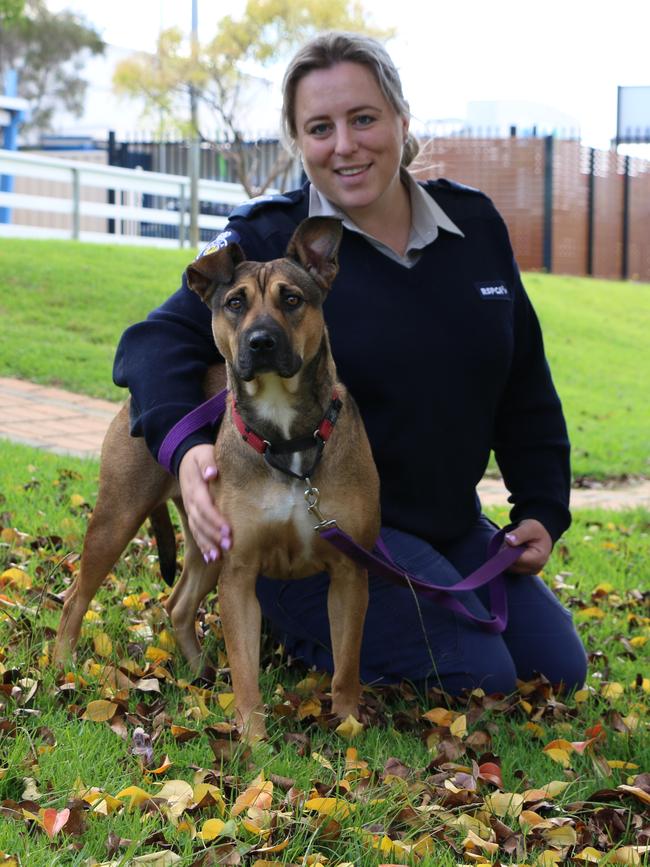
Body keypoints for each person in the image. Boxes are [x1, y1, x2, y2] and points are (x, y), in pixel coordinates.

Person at [113, 32, 587, 696]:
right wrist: (184, 449)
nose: (345, 144)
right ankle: (290, 617)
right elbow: (152, 342)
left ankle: (411, 604)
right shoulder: (266, 242)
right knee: (482, 674)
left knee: (560, 669)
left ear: (401, 119)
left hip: (448, 525)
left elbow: (525, 382)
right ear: (297, 142)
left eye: (363, 118)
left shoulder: (474, 226)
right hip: (316, 533)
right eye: (319, 127)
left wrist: (541, 506)